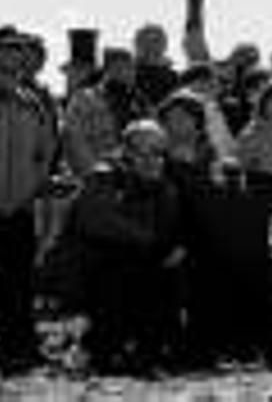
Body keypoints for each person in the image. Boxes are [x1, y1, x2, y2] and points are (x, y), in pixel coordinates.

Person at [65, 120, 186, 374]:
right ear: (127, 151)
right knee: (122, 274)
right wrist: (150, 242)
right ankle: (103, 347)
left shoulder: (166, 184)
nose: (151, 158)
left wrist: (173, 246)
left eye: (157, 151)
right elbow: (97, 221)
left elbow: (171, 226)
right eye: (143, 151)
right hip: (102, 267)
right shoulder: (104, 175)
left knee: (170, 271)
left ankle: (153, 348)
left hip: (146, 264)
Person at [0, 32, 57, 370]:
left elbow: (44, 152)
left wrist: (32, 188)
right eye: (7, 50)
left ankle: (20, 345)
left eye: (19, 52)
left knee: (20, 281)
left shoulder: (32, 103)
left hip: (20, 208)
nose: (14, 57)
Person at [63, 48, 149, 176]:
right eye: (119, 68)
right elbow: (75, 138)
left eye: (130, 68)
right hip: (99, 173)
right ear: (107, 71)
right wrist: (93, 170)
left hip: (135, 174)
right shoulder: (85, 99)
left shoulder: (141, 103)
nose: (126, 73)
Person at [177, 63, 237, 162]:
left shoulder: (215, 108)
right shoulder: (181, 111)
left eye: (213, 83)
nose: (213, 86)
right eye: (204, 82)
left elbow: (227, 143)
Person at [133, 24, 178, 107]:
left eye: (156, 40)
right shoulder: (130, 73)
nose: (151, 45)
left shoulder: (172, 76)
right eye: (146, 40)